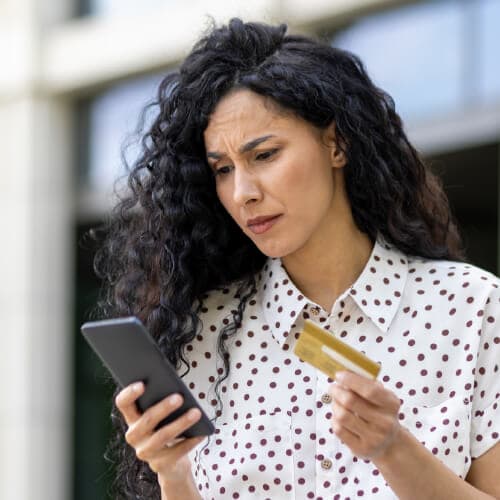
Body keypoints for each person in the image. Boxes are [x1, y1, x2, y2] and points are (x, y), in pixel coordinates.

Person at [93, 18, 500, 500]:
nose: (243, 192)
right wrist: (173, 474)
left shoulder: (469, 308)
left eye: (264, 155)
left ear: (336, 143)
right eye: (223, 169)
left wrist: (394, 450)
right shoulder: (204, 332)